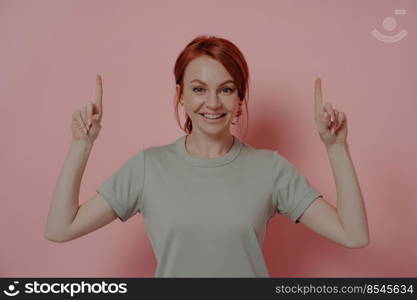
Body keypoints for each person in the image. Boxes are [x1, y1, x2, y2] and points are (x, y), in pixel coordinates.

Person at [45, 35, 369, 277]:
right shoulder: (148, 166)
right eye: (199, 89)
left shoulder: (270, 169)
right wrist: (81, 144)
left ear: (240, 99)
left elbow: (353, 235)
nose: (212, 102)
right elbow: (61, 228)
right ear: (181, 96)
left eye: (226, 89)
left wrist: (336, 148)